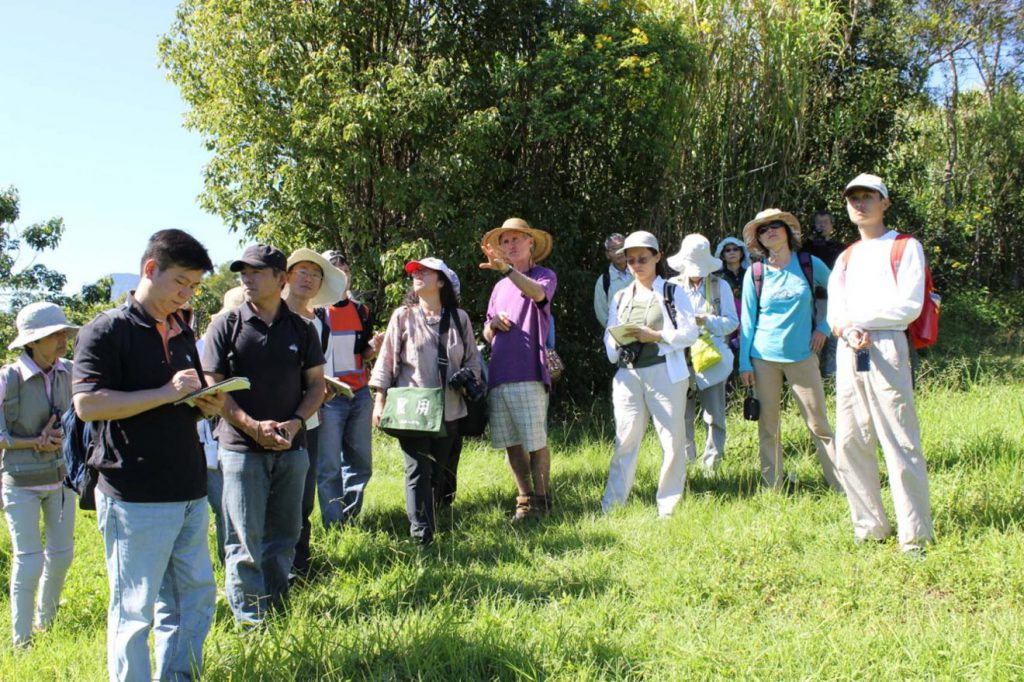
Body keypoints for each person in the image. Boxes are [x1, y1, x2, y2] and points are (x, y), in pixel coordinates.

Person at [72, 229, 223, 681]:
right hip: (133, 495)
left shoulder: (180, 330)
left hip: (189, 488)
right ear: (150, 269)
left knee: (192, 599)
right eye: (181, 282)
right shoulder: (105, 330)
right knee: (134, 612)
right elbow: (88, 404)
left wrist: (206, 404)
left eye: (194, 286)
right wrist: (163, 393)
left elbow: (182, 395)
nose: (186, 294)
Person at [201, 244, 326, 626]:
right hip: (240, 449)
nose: (247, 278)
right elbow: (213, 389)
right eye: (243, 272)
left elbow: (317, 386)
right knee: (243, 540)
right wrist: (252, 427)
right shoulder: (226, 324)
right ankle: (251, 623)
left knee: (284, 536)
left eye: (256, 271)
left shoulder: (302, 328)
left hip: (292, 447)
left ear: (280, 278)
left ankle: (277, 610)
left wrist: (294, 423)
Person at [827, 173, 934, 555]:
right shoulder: (846, 256)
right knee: (851, 439)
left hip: (886, 345)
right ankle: (869, 526)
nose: (859, 204)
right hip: (848, 347)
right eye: (852, 198)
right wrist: (845, 327)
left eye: (867, 197)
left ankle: (915, 535)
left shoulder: (905, 247)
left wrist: (860, 321)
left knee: (898, 437)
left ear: (884, 202)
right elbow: (834, 309)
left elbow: (909, 305)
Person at [369, 258, 482, 545]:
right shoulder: (403, 316)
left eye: (424, 272)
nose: (416, 275)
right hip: (413, 410)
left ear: (441, 281)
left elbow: (473, 361)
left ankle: (430, 521)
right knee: (417, 471)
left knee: (439, 472)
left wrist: (467, 376)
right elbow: (386, 361)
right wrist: (379, 400)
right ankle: (422, 537)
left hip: (450, 409)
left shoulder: (460, 318)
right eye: (414, 272)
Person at [739, 209, 842, 491]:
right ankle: (772, 486)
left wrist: (825, 327)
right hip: (763, 359)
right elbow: (747, 321)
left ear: (787, 231)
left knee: (818, 425)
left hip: (803, 356)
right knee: (768, 429)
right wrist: (744, 364)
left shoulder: (809, 264)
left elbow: (841, 291)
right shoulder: (755, 273)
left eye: (775, 226)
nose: (770, 231)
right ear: (759, 240)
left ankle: (840, 485)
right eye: (763, 229)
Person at [602, 231, 699, 516]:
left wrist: (655, 336)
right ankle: (612, 506)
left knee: (672, 440)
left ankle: (667, 507)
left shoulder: (672, 291)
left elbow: (690, 333)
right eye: (630, 260)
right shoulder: (620, 296)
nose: (637, 265)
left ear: (657, 257)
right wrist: (618, 343)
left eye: (643, 258)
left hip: (664, 373)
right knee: (625, 440)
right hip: (627, 375)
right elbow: (609, 334)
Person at [1, 302, 78, 649]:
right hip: (21, 484)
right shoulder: (8, 378)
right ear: (32, 342)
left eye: (63, 332)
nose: (62, 339)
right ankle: (21, 640)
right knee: (28, 560)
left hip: (61, 479)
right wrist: (36, 442)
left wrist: (64, 437)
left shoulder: (71, 372)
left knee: (62, 555)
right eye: (53, 334)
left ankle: (46, 623)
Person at [480, 217, 557, 521]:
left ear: (531, 244)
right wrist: (492, 326)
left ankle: (542, 501)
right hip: (499, 373)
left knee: (535, 441)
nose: (510, 245)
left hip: (530, 371)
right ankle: (524, 501)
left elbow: (538, 295)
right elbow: (486, 332)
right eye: (505, 241)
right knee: (511, 443)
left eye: (516, 239)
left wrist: (509, 270)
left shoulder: (543, 275)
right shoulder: (498, 287)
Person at [282, 249, 347, 578]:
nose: (307, 278)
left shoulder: (319, 323)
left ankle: (299, 565)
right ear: (287, 276)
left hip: (310, 420)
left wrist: (324, 389)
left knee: (304, 498)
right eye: (301, 271)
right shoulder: (266, 316)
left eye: (315, 274)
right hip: (271, 420)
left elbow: (316, 374)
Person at [316, 250, 380, 530]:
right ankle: (333, 525)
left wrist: (373, 348)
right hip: (328, 397)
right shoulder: (316, 312)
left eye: (344, 266)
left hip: (360, 394)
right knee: (329, 466)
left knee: (360, 463)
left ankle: (350, 520)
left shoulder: (361, 311)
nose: (340, 271)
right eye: (333, 268)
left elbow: (361, 352)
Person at [667, 234, 738, 473]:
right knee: (682, 414)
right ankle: (686, 463)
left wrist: (705, 321)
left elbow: (731, 323)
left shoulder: (720, 286)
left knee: (714, 413)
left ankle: (713, 465)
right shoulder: (672, 286)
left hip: (712, 357)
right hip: (680, 356)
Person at [197, 286, 245, 566]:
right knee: (219, 508)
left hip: (229, 441)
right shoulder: (201, 347)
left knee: (230, 509)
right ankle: (219, 563)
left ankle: (229, 563)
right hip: (205, 442)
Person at [801, 210, 845, 377]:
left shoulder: (839, 248)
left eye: (825, 223)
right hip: (812, 299)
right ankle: (813, 375)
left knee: (834, 337)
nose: (821, 226)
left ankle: (832, 375)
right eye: (818, 223)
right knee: (814, 338)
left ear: (832, 226)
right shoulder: (806, 248)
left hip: (833, 298)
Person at [593, 232, 633, 328]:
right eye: (614, 249)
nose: (619, 251)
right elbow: (601, 312)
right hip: (618, 335)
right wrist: (614, 331)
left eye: (622, 247)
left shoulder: (640, 272)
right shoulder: (603, 281)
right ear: (608, 255)